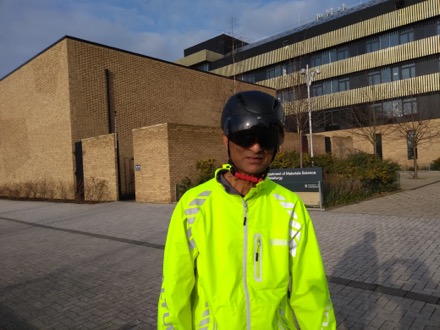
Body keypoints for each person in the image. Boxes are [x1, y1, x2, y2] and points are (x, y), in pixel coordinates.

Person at [158, 90, 336, 329]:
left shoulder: (289, 206)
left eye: (267, 137)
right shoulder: (194, 206)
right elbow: (175, 289)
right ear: (226, 140)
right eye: (245, 136)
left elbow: (310, 289)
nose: (256, 147)